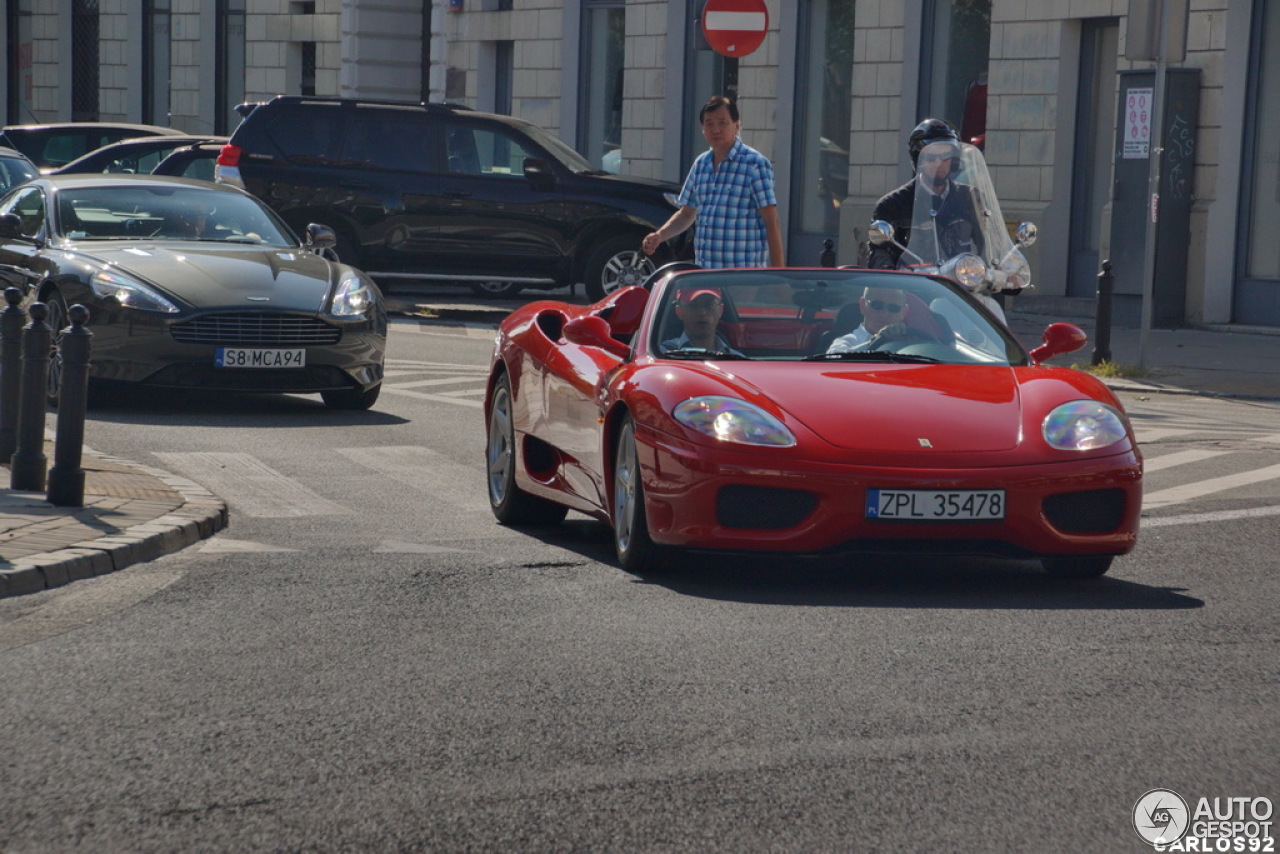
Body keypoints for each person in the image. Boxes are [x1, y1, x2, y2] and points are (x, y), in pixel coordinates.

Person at [641, 95, 784, 269]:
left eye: (722, 122)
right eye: (709, 124)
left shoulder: (755, 164)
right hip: (705, 274)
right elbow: (686, 214)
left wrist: (779, 273)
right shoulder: (701, 164)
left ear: (737, 126)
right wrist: (660, 236)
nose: (716, 129)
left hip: (743, 274)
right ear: (703, 129)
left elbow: (771, 221)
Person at [866, 118, 984, 270]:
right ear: (917, 159)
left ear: (954, 160)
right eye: (930, 158)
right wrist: (889, 270)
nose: (938, 164)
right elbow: (879, 251)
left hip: (961, 283)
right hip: (912, 286)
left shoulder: (971, 198)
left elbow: (991, 243)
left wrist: (1004, 268)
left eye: (945, 157)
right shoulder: (892, 205)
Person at [826, 286, 912, 352]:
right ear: (863, 305)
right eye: (877, 305)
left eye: (894, 308)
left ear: (904, 312)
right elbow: (833, 362)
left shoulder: (913, 343)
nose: (884, 314)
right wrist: (876, 340)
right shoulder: (848, 342)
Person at [660, 287, 743, 354]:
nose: (702, 312)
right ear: (679, 312)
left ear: (720, 310)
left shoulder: (737, 361)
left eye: (709, 305)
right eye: (693, 305)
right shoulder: (662, 355)